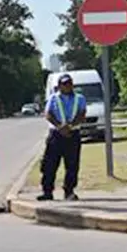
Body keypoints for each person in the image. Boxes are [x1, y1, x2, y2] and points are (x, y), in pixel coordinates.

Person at [38, 73, 87, 201]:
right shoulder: (53, 98)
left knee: (72, 164)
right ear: (59, 86)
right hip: (56, 135)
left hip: (73, 134)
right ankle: (47, 191)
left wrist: (70, 126)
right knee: (49, 164)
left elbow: (82, 114)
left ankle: (69, 191)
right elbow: (48, 114)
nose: (67, 86)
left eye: (69, 83)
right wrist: (60, 127)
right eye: (64, 84)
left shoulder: (79, 98)